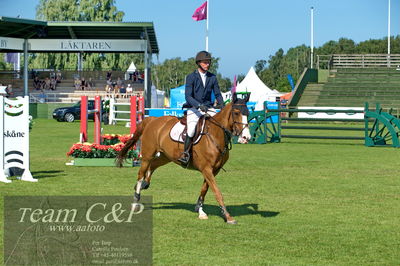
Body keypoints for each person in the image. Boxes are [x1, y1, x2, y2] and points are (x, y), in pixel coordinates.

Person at [177, 51, 225, 165]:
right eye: (205, 62)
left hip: (208, 107)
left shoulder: (212, 77)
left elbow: (217, 93)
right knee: (192, 128)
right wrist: (198, 105)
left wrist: (222, 105)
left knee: (220, 125)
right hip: (194, 108)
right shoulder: (191, 77)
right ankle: (186, 154)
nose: (207, 64)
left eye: (208, 62)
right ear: (199, 63)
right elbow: (188, 96)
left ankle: (221, 150)